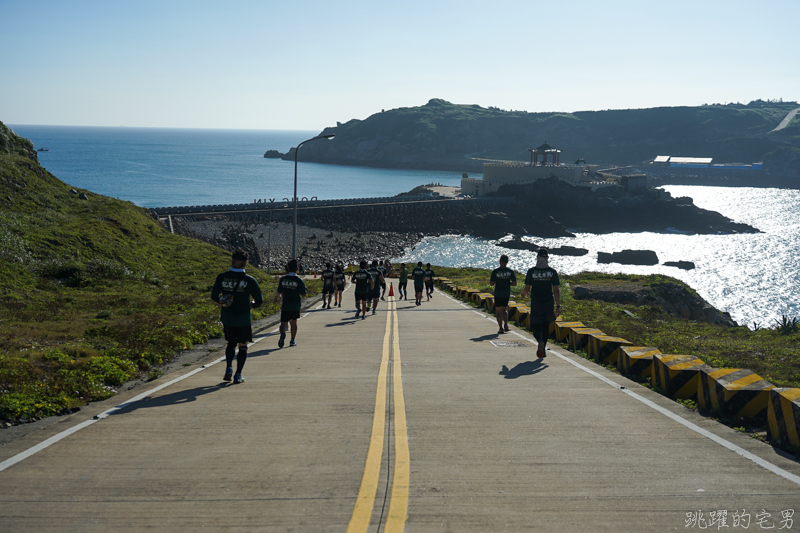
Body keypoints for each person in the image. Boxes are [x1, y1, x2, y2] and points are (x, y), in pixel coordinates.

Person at [210, 249, 263, 384]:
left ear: (232, 261)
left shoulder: (222, 277)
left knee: (230, 343)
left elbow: (214, 296)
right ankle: (238, 374)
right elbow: (259, 300)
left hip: (228, 317)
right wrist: (251, 305)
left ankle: (228, 368)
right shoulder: (250, 280)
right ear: (245, 263)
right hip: (244, 318)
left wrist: (223, 302)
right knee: (243, 346)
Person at [520, 248, 561, 359]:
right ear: (547, 258)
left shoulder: (531, 271)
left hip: (536, 303)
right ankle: (543, 348)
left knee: (536, 327)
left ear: (537, 257)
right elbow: (556, 290)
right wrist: (558, 306)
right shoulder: (552, 272)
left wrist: (523, 294)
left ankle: (540, 341)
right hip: (548, 303)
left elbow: (527, 287)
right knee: (546, 327)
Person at [275, 259, 307, 348]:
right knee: (293, 323)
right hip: (295, 305)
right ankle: (292, 340)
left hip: (285, 305)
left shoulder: (283, 279)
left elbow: (279, 291)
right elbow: (303, 294)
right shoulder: (298, 280)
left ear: (288, 268)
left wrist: (276, 298)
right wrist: (305, 290)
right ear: (297, 269)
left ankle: (282, 334)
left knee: (283, 323)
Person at [490, 254, 517, 334]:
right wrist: (509, 283)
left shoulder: (495, 271)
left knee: (498, 311)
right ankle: (506, 324)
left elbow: (491, 283)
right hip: (506, 293)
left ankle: (500, 328)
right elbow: (515, 283)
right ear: (507, 262)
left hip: (498, 293)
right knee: (504, 310)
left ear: (500, 261)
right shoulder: (510, 271)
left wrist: (496, 281)